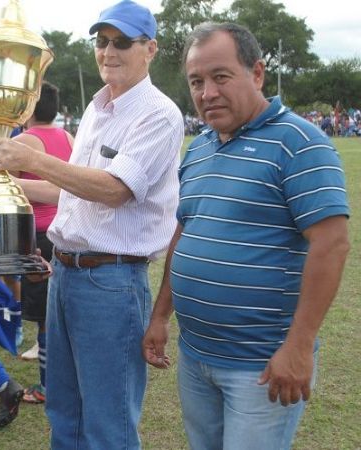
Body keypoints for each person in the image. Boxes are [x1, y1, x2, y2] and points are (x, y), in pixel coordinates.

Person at [142, 22, 350, 450]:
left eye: (220, 76)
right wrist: (161, 315)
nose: (207, 92)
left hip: (261, 366)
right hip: (197, 358)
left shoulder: (300, 143)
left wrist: (298, 347)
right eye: (196, 81)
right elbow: (186, 231)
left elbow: (332, 243)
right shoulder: (199, 147)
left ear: (256, 74)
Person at [0, 1, 183, 447]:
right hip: (67, 275)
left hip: (110, 281)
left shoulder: (158, 113)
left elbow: (114, 189)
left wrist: (34, 159)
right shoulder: (97, 108)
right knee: (65, 413)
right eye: (102, 41)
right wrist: (6, 183)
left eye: (122, 43)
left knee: (107, 424)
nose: (108, 52)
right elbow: (73, 190)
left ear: (149, 49)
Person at [11, 81, 74, 404]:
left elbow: (1, 188)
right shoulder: (68, 137)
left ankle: (48, 387)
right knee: (57, 314)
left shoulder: (22, 141)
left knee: (46, 318)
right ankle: (59, 381)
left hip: (36, 236)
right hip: (64, 233)